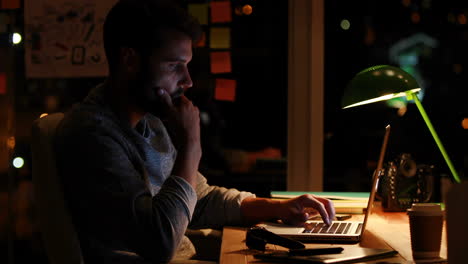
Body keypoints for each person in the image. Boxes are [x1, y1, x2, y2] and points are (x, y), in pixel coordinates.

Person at [54, 0, 335, 263]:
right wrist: (191, 145)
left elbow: (197, 199)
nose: (187, 81)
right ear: (130, 60)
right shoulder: (92, 135)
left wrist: (278, 208)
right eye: (175, 66)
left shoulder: (148, 121)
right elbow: (159, 241)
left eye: (187, 66)